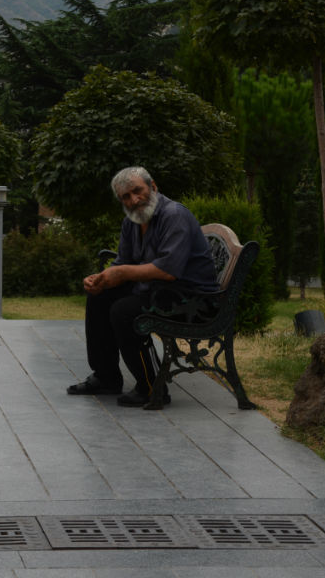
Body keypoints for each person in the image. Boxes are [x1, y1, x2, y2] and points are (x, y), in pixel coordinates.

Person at [67, 166, 219, 407]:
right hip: (158, 291)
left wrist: (122, 272)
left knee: (124, 311)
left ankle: (152, 387)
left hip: (190, 298)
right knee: (100, 297)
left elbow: (168, 270)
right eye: (125, 197)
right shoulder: (132, 221)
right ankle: (106, 377)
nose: (134, 200)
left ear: (153, 187)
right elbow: (123, 262)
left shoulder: (174, 215)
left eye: (138, 191)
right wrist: (101, 279)